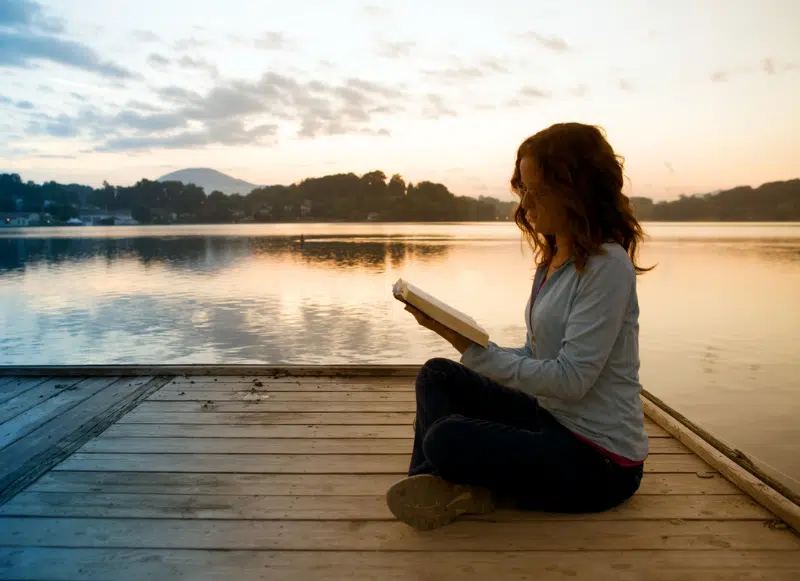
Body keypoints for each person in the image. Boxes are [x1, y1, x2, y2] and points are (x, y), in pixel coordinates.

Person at [385, 122, 654, 531]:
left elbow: (571, 381)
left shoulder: (607, 267)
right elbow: (534, 355)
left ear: (578, 191)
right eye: (523, 189)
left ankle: (449, 485)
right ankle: (432, 485)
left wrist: (474, 351)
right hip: (551, 419)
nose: (525, 204)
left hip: (600, 462)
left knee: (446, 438)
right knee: (438, 375)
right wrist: (459, 338)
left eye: (537, 190)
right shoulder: (553, 262)